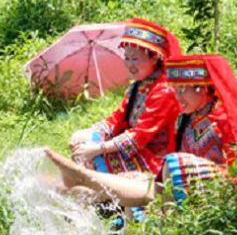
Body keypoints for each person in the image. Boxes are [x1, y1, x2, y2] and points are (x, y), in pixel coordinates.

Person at [45, 53, 237, 208]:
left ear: (201, 88)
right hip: (175, 181)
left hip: (207, 185)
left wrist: (98, 149)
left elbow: (236, 166)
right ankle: (77, 188)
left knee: (174, 165)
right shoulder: (185, 117)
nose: (178, 97)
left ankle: (83, 178)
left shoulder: (221, 119)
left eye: (183, 90)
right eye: (176, 90)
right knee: (135, 179)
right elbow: (116, 119)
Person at [68, 18, 183, 176]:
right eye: (127, 58)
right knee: (79, 139)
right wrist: (94, 133)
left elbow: (140, 136)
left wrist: (97, 149)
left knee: (95, 157)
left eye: (135, 59)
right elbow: (118, 117)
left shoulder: (164, 91)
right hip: (132, 145)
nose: (129, 64)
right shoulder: (139, 85)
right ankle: (94, 188)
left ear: (154, 58)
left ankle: (98, 192)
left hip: (152, 157)